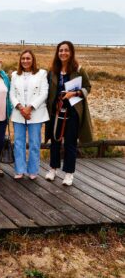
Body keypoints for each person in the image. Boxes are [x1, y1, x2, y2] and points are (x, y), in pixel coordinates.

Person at [45, 41, 93, 186]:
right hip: (56, 112)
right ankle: (53, 169)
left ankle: (69, 174)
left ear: (71, 52)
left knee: (70, 144)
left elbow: (87, 87)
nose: (63, 53)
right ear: (57, 53)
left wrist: (76, 93)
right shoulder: (52, 71)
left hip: (72, 113)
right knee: (55, 141)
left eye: (66, 50)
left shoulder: (79, 70)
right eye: (60, 50)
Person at [10, 50, 49, 180]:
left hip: (35, 114)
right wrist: (21, 108)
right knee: (18, 142)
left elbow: (44, 93)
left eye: (28, 58)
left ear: (33, 60)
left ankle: (33, 170)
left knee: (34, 143)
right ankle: (20, 169)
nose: (25, 61)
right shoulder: (15, 75)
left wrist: (30, 108)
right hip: (18, 113)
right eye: (23, 59)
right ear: (20, 61)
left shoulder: (42, 74)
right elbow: (11, 94)